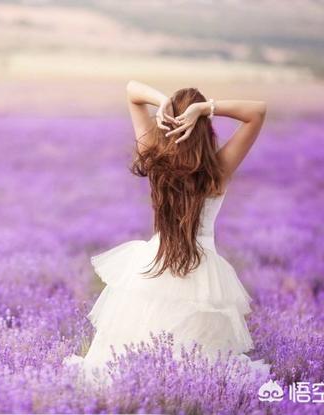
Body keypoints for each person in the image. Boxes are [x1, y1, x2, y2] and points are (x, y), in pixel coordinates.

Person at [63, 80, 270, 385]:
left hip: (153, 265)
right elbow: (257, 112)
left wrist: (164, 103)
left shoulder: (155, 156)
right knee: (199, 369)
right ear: (205, 128)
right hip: (201, 274)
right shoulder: (217, 170)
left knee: (125, 360)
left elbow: (133, 91)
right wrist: (205, 108)